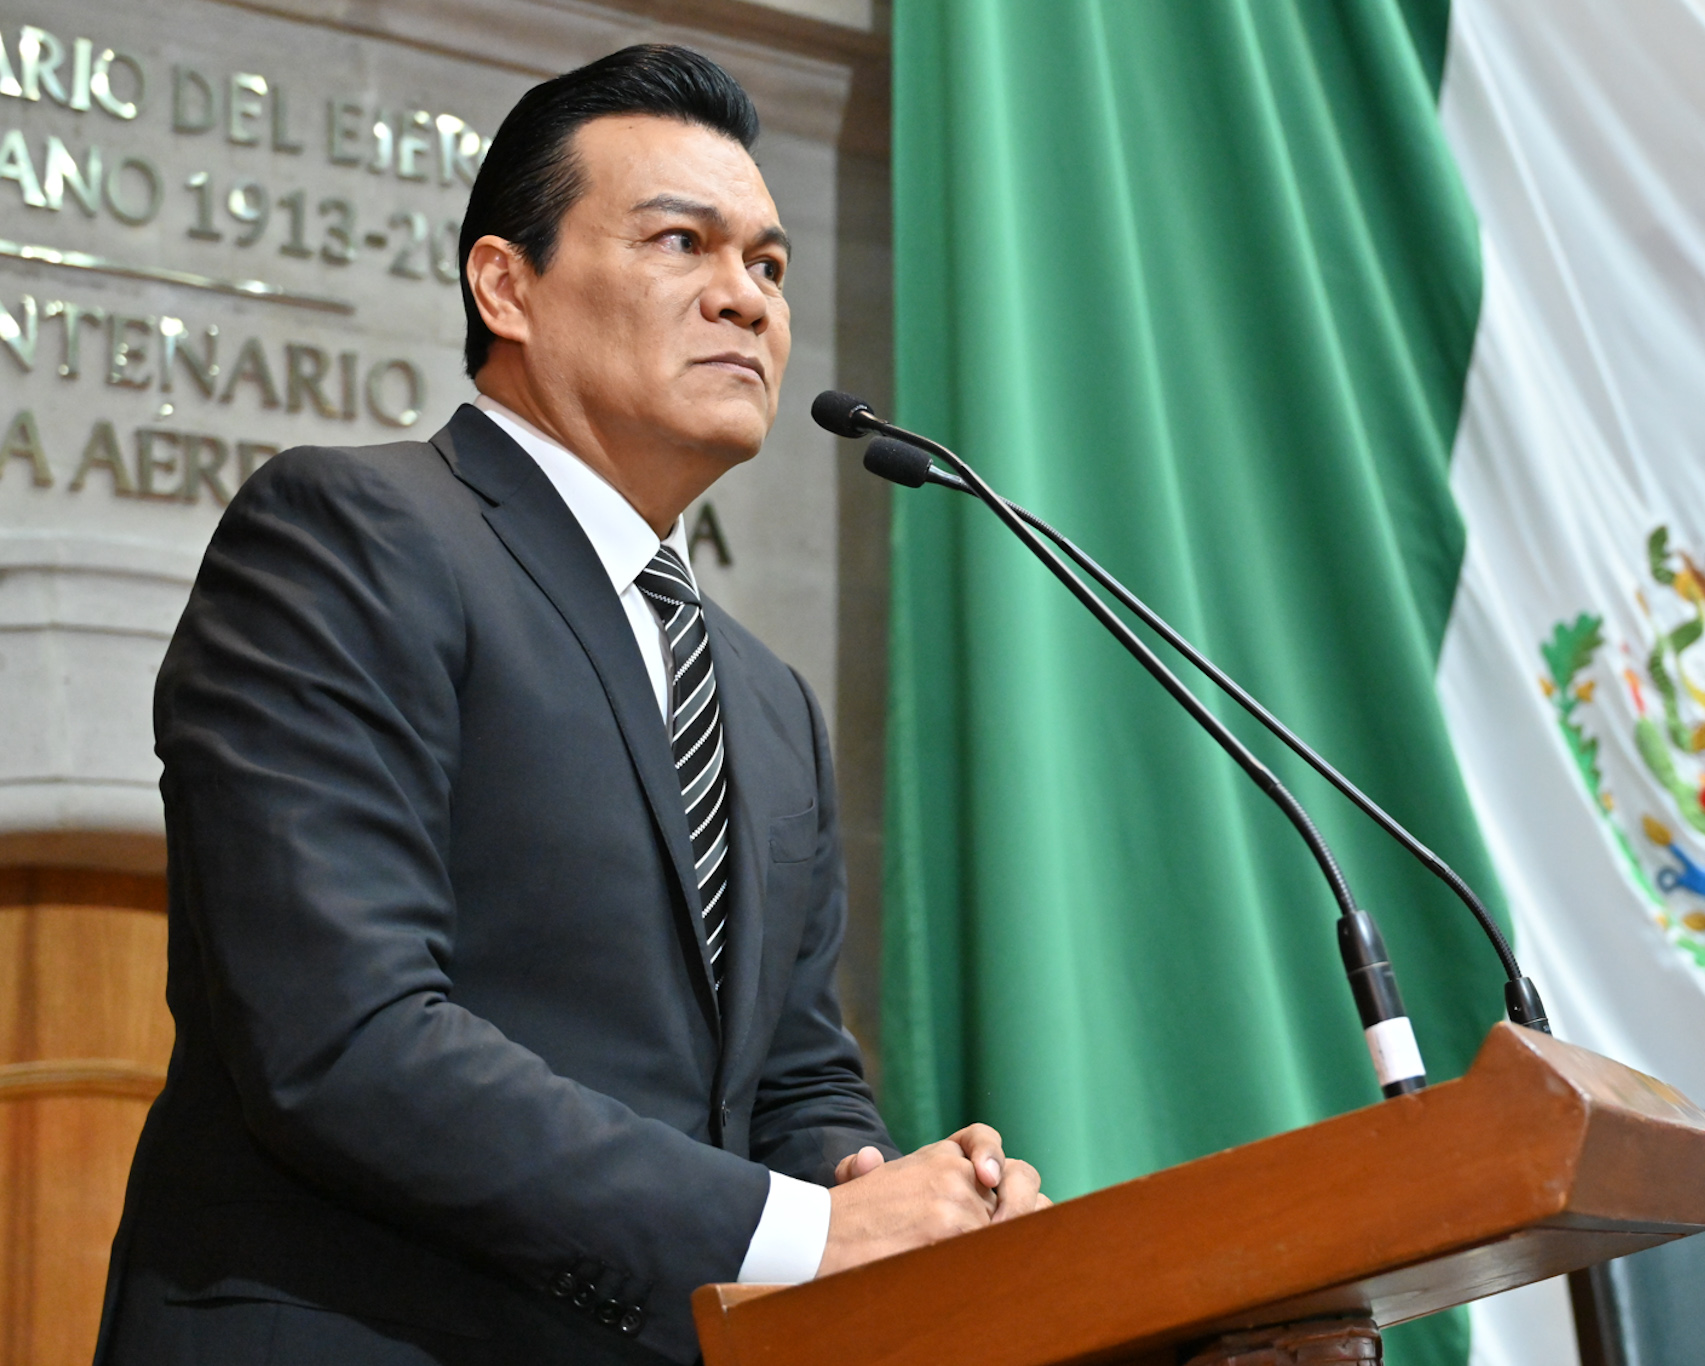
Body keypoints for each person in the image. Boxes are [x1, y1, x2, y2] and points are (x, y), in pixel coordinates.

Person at [95, 44, 1043, 1366]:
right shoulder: (352, 534)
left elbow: (794, 1076)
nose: (746, 299)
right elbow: (345, 1038)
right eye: (682, 242)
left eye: (771, 266)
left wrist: (894, 1195)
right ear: (507, 285)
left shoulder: (767, 700)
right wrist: (811, 1232)